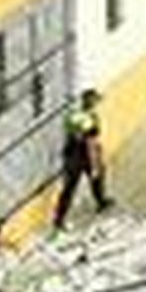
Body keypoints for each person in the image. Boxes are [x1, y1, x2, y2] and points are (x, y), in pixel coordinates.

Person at [54, 89, 113, 230]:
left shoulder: (82, 115)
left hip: (79, 152)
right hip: (80, 153)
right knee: (72, 186)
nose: (96, 103)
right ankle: (60, 219)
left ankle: (100, 201)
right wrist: (93, 157)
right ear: (87, 101)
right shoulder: (82, 117)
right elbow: (86, 137)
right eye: (94, 100)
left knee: (96, 177)